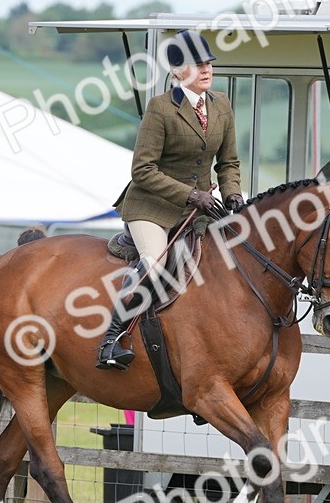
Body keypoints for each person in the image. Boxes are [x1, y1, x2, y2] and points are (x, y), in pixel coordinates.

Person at [97, 29, 244, 370]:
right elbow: (142, 170)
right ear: (178, 72)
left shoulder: (221, 105)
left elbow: (229, 162)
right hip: (152, 206)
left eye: (208, 63)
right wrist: (191, 194)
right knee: (154, 263)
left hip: (199, 208)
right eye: (198, 64)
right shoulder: (161, 108)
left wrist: (233, 194)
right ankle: (111, 341)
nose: (206, 69)